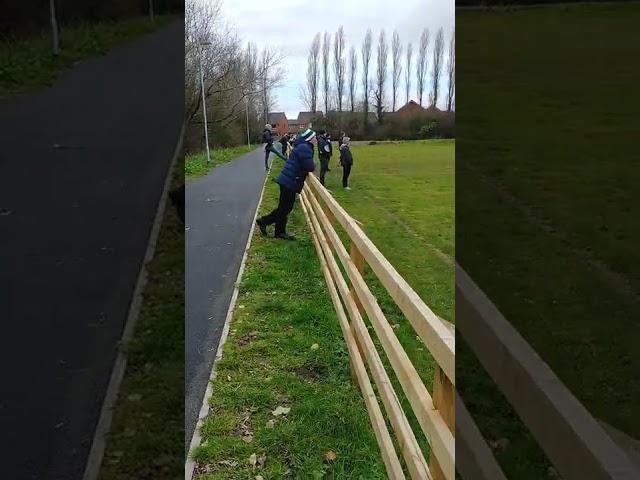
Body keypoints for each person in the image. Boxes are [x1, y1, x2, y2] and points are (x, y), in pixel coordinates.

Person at [256, 128, 317, 240]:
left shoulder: (302, 146)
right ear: (309, 138)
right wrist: (314, 163)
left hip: (288, 180)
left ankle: (270, 226)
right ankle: (271, 226)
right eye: (314, 137)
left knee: (284, 208)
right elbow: (310, 166)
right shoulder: (305, 148)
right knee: (285, 208)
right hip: (290, 181)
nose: (316, 139)